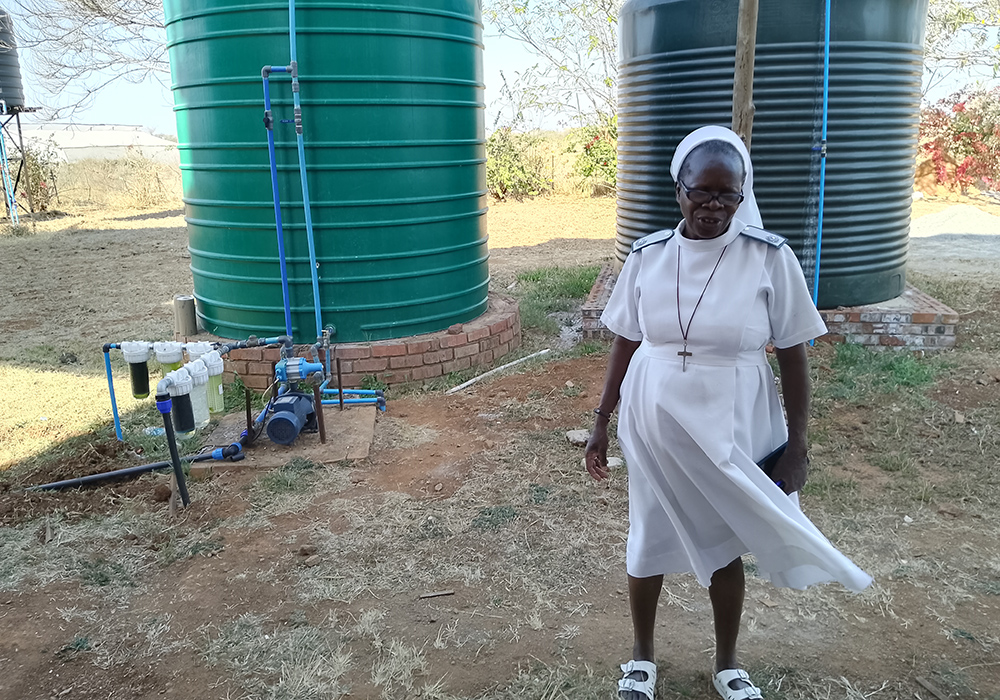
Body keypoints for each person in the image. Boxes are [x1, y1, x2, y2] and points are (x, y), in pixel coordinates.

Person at [585, 125, 873, 700]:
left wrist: (798, 445)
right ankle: (641, 660)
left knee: (721, 535)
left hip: (731, 417)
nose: (714, 204)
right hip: (653, 414)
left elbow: (793, 355)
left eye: (729, 194)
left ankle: (728, 664)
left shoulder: (769, 257)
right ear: (679, 189)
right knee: (649, 531)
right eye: (702, 191)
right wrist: (600, 419)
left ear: (743, 194)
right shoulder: (647, 256)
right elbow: (624, 338)